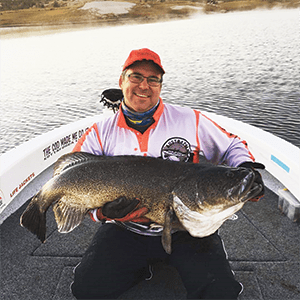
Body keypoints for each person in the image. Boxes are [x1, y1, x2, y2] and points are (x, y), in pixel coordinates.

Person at [71, 48, 264, 300]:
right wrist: (102, 213)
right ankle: (140, 269)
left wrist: (246, 167)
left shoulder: (189, 120)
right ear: (121, 81)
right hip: (125, 230)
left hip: (186, 230)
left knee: (221, 293)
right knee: (87, 290)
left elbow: (232, 145)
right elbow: (74, 178)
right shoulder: (99, 132)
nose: (144, 85)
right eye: (136, 77)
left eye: (153, 79)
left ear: (161, 85)